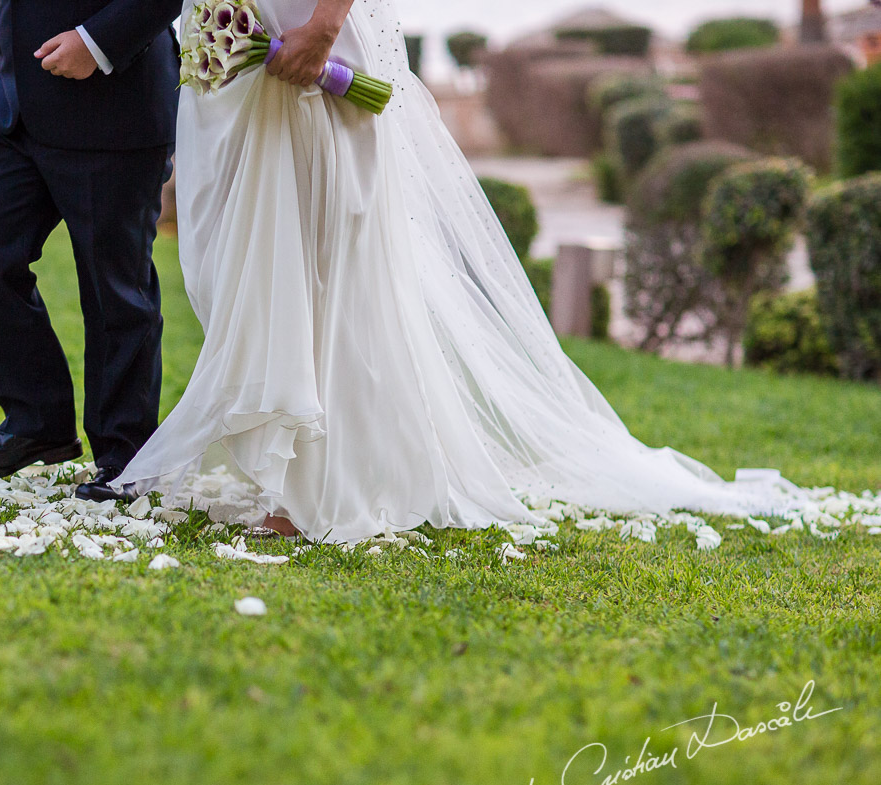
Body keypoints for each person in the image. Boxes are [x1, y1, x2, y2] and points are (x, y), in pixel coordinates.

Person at [113, 0, 796, 543]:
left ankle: (320, 483)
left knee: (323, 259)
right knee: (249, 260)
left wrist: (325, 22)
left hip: (307, 42)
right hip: (236, 57)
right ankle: (294, 462)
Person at [0, 0, 182, 502]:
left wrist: (97, 43)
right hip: (12, 108)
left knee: (113, 287)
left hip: (115, 101)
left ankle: (126, 453)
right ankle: (37, 422)